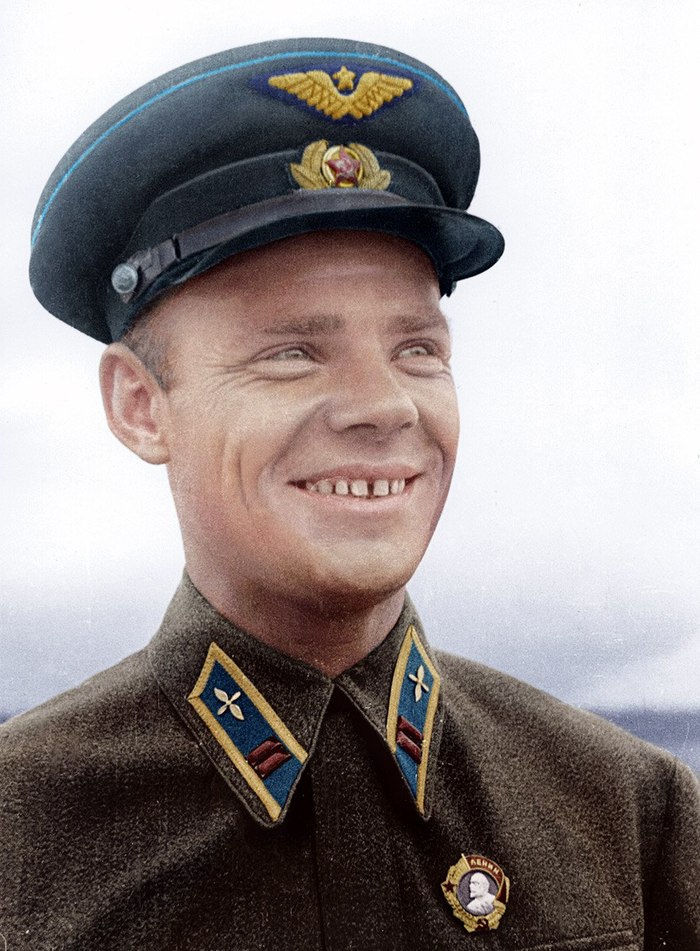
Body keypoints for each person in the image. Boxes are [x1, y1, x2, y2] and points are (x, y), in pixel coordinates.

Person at [1, 37, 698, 951]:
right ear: (141, 405)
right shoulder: (20, 834)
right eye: (293, 351)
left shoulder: (629, 812)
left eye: (419, 349)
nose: (386, 405)